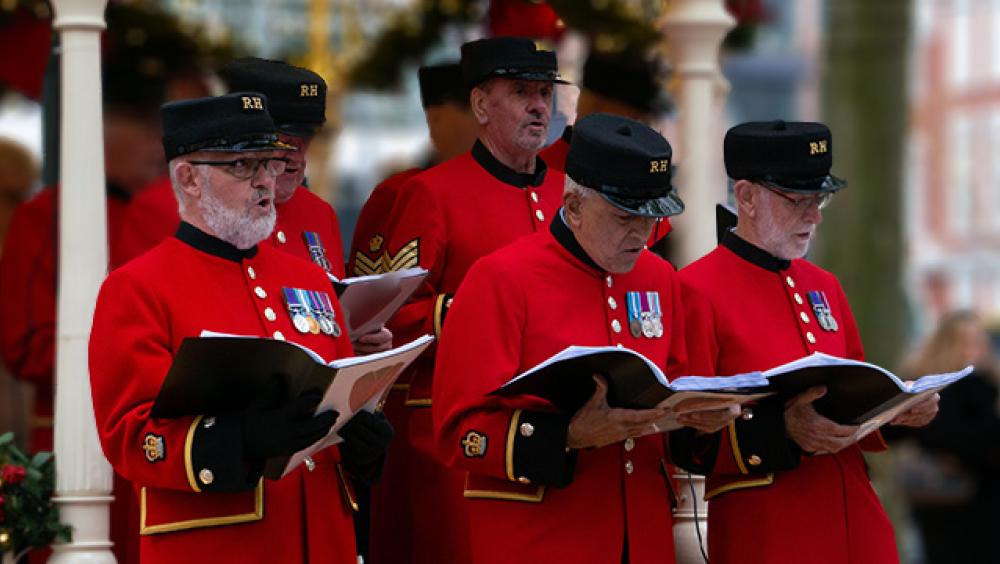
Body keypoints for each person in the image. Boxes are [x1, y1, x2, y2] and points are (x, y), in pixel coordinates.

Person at [89, 92, 391, 563]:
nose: (265, 182)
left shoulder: (309, 279)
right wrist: (242, 440)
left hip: (323, 539)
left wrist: (363, 444)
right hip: (218, 545)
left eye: (268, 163)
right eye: (242, 166)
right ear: (188, 177)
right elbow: (131, 437)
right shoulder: (137, 287)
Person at [431, 112, 736, 564]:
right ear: (572, 206)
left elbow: (672, 390)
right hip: (541, 541)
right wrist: (568, 436)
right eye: (623, 217)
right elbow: (459, 433)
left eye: (650, 218)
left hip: (642, 535)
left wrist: (699, 422)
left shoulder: (660, 278)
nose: (641, 234)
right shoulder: (501, 278)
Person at [675, 120, 939, 564]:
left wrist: (896, 409)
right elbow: (682, 437)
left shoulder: (825, 285)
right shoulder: (695, 289)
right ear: (746, 196)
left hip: (858, 522)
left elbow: (852, 391)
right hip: (771, 531)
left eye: (819, 199)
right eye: (798, 200)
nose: (814, 216)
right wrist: (784, 430)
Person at [370, 36, 568, 564]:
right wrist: (481, 313)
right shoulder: (431, 194)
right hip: (462, 441)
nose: (539, 106)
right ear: (480, 105)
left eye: (546, 92)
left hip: (563, 433)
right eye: (522, 91)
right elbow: (388, 320)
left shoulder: (573, 196)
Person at [348, 62, 476, 278]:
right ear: (437, 118)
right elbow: (375, 294)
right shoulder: (397, 193)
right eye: (473, 110)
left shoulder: (515, 188)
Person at [541, 51, 674, 253]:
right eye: (635, 118)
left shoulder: (645, 183)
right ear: (594, 106)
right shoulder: (537, 174)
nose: (645, 129)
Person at [900, 310, 1000, 564]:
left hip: (984, 506)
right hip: (943, 502)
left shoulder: (988, 385)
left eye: (978, 341)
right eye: (964, 341)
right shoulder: (927, 387)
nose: (972, 349)